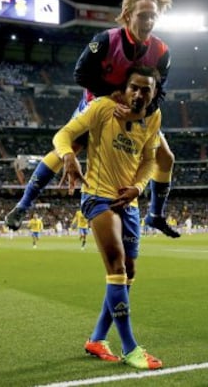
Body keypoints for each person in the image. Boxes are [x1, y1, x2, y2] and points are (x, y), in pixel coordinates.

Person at [5, 0, 180, 239]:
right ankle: (23, 205)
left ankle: (155, 215)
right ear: (128, 15)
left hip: (135, 110)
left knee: (166, 158)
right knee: (66, 151)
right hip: (98, 104)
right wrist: (113, 98)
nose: (149, 22)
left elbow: (159, 91)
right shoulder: (106, 40)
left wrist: (138, 113)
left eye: (153, 16)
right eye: (143, 16)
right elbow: (81, 73)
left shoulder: (162, 51)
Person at [53, 65, 164, 370]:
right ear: (124, 88)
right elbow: (63, 135)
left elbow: (150, 160)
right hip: (98, 196)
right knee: (115, 266)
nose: (139, 94)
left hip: (128, 203)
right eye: (134, 87)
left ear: (154, 93)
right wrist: (69, 157)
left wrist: (138, 188)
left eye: (146, 89)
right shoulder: (101, 108)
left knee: (128, 273)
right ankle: (130, 348)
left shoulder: (153, 118)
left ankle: (97, 338)